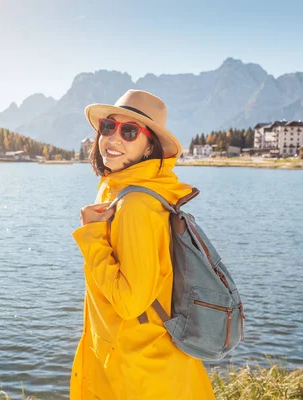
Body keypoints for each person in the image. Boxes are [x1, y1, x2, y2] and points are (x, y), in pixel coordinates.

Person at [70, 90, 215, 399]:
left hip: (138, 374)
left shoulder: (135, 204)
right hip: (135, 360)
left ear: (149, 145)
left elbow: (130, 302)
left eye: (130, 132)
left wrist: (92, 236)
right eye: (108, 127)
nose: (113, 138)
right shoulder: (121, 189)